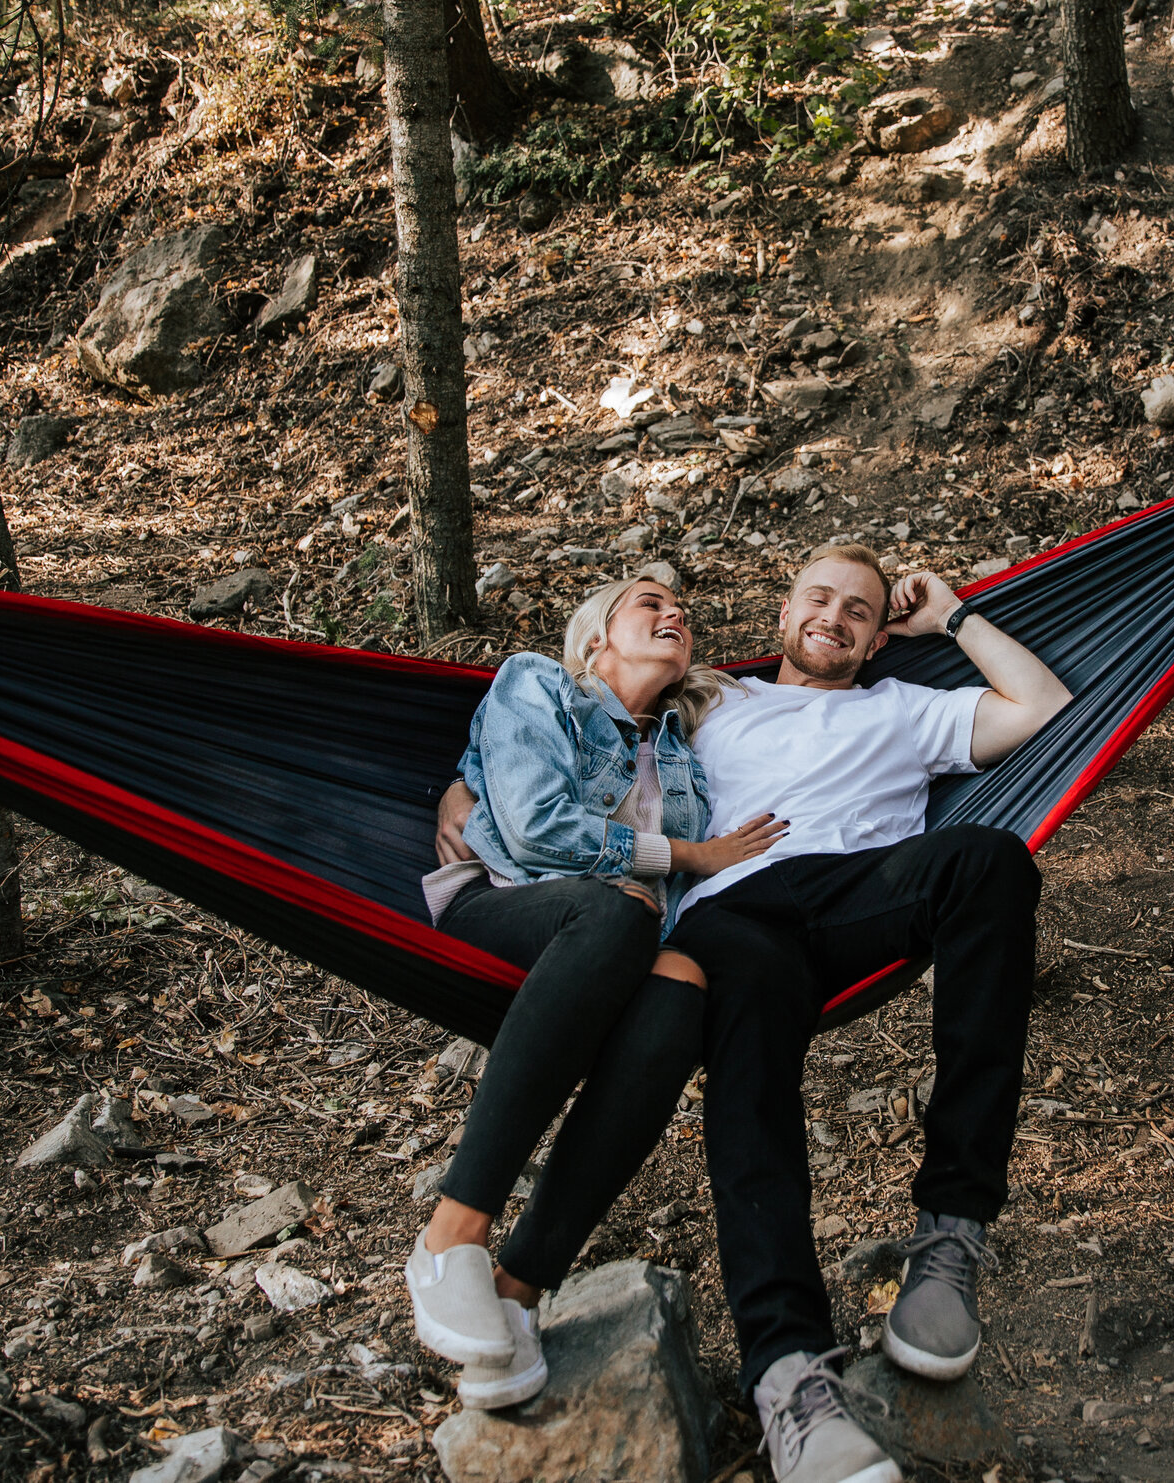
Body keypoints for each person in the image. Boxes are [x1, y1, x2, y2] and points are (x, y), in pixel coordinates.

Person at [440, 544, 1068, 1483]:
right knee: (743, 1050)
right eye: (818, 597)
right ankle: (786, 1374)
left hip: (868, 892)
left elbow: (1042, 706)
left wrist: (951, 618)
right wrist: (462, 785)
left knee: (992, 860)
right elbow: (589, 724)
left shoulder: (902, 707)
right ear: (781, 614)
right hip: (737, 911)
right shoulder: (710, 701)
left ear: (877, 633)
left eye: (860, 609)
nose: (836, 616)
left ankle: (950, 1237)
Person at [405, 575, 786, 1411]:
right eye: (649, 601)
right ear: (595, 637)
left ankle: (518, 1290)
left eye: (684, 606)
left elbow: (800, 708)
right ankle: (452, 1233)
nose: (675, 611)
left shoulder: (684, 753)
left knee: (679, 997)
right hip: (501, 903)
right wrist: (689, 856)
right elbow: (537, 825)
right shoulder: (537, 681)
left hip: (617, 938)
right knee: (618, 914)